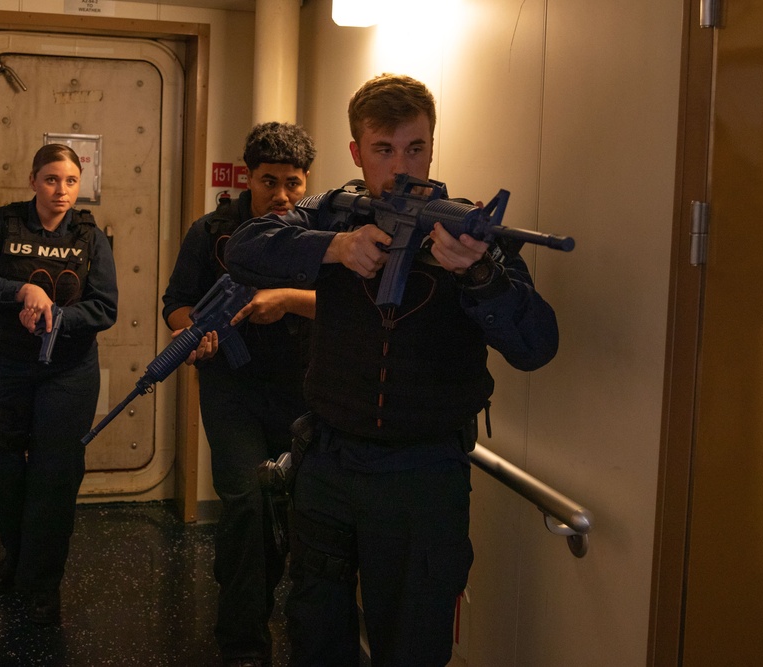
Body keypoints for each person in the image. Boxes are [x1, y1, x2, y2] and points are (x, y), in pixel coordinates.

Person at [225, 74, 560, 667]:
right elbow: (245, 247)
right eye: (384, 149)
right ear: (357, 152)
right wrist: (335, 247)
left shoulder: (470, 230)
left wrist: (481, 277)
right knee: (316, 634)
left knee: (412, 643)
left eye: (416, 147)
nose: (402, 163)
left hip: (422, 475)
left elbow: (536, 346)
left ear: (433, 145)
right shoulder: (328, 212)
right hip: (328, 464)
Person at [162, 121, 317, 667]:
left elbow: (343, 306)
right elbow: (175, 303)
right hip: (232, 386)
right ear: (247, 177)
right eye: (268, 181)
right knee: (248, 501)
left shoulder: (324, 235)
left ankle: (278, 610)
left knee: (299, 514)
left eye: (293, 183)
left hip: (305, 390)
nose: (281, 196)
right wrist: (196, 331)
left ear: (307, 182)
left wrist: (286, 300)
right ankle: (243, 644)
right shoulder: (212, 233)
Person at [0, 143, 118, 625]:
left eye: (71, 181)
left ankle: (40, 585)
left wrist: (57, 316)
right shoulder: (4, 225)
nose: (61, 191)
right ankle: (21, 554)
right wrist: (21, 291)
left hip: (67, 372)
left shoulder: (90, 236)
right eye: (51, 179)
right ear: (33, 181)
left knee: (54, 478)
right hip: (6, 366)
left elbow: (105, 308)